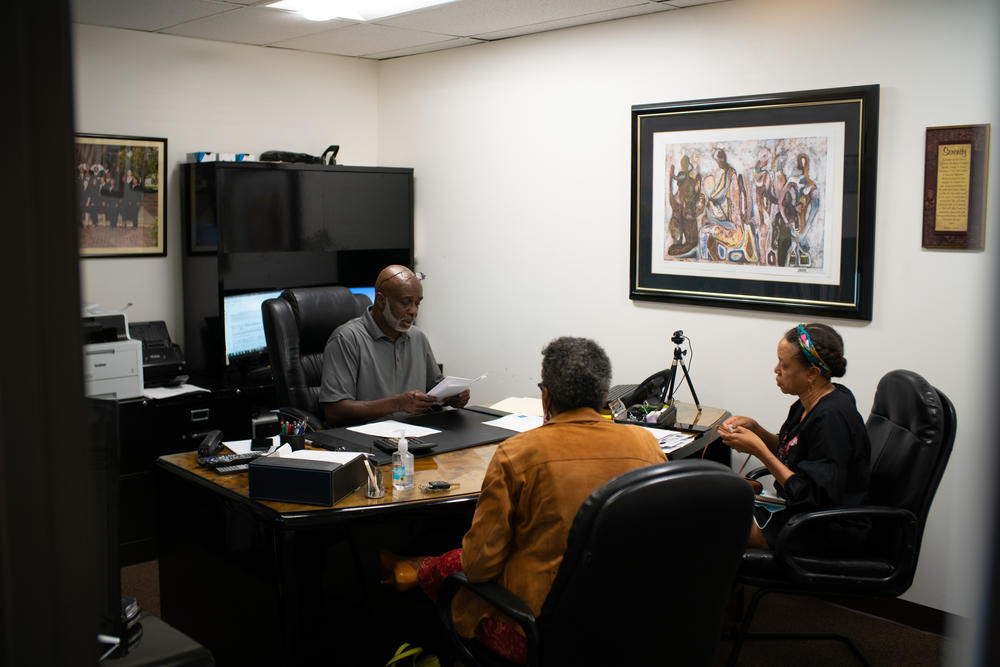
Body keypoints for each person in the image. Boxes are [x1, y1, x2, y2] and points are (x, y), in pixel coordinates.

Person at [383, 337, 666, 663]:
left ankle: (415, 586)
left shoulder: (517, 454)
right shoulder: (646, 445)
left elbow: (478, 566)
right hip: (628, 619)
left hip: (540, 630)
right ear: (604, 394)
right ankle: (416, 568)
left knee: (457, 575)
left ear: (546, 394)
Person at [717, 323, 870, 552]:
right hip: (802, 513)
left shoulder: (832, 419)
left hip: (824, 527)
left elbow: (812, 495)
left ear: (811, 373)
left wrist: (760, 451)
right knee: (715, 501)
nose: (776, 369)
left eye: (784, 365)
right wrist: (756, 429)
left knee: (712, 523)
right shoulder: (809, 402)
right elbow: (792, 449)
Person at [319, 265, 469, 426]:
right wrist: (397, 404)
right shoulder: (347, 339)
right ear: (382, 300)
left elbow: (435, 390)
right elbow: (334, 412)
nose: (413, 311)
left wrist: (454, 396)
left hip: (416, 434)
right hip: (367, 438)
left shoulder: (418, 338)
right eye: (406, 303)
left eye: (417, 303)